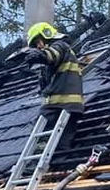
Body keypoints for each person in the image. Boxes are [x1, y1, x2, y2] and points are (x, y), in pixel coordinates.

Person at [19, 22, 83, 150]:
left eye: (39, 41)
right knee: (62, 144)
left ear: (46, 35)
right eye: (35, 45)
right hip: (73, 106)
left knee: (41, 132)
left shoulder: (60, 46)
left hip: (58, 105)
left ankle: (33, 163)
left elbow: (51, 55)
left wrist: (38, 56)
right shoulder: (65, 54)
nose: (39, 46)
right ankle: (61, 164)